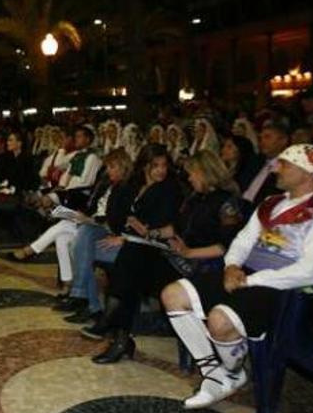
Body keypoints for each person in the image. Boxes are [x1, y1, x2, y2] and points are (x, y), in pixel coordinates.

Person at [160, 144, 313, 409]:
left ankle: (231, 373)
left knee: (219, 320)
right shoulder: (271, 204)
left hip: (283, 289)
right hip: (244, 275)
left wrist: (249, 281)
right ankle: (216, 372)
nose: (276, 167)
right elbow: (241, 241)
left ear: (307, 172)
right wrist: (231, 266)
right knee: (172, 294)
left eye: (284, 163)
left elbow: (310, 271)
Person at [87, 150, 245, 362]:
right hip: (175, 255)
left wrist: (189, 252)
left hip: (200, 264)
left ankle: (118, 332)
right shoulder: (195, 198)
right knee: (132, 255)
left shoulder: (227, 204)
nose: (189, 178)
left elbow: (227, 246)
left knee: (130, 265)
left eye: (193, 173)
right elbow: (175, 228)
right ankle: (121, 336)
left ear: (205, 173)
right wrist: (151, 233)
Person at [79, 144, 184, 340]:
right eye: (155, 165)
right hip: (133, 242)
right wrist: (126, 233)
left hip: (157, 247)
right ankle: (110, 323)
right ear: (144, 166)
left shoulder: (169, 189)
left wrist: (137, 234)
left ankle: (109, 321)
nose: (161, 170)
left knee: (127, 260)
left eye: (164, 165)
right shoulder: (135, 184)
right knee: (91, 250)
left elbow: (166, 226)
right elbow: (119, 215)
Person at [59, 149, 140, 322]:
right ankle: (87, 301)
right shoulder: (109, 184)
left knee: (80, 249)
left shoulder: (127, 188)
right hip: (100, 227)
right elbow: (97, 208)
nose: (108, 171)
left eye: (111, 167)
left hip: (118, 236)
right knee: (79, 240)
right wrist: (88, 217)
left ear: (122, 167)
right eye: (107, 167)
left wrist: (92, 220)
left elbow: (117, 222)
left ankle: (86, 301)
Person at [241, 123, 289, 207]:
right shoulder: (255, 161)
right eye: (260, 138)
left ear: (283, 141)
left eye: (267, 137)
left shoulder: (287, 168)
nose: (262, 141)